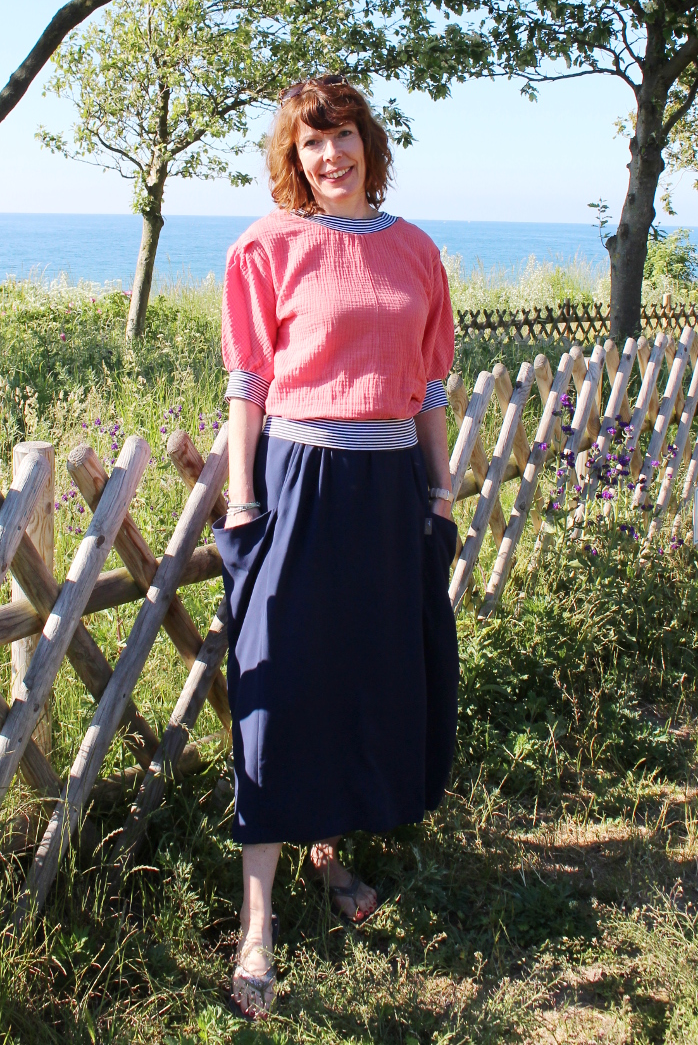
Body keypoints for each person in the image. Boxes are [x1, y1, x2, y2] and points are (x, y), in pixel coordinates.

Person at [213, 76, 460, 1020]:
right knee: (282, 690)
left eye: (343, 135)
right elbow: (248, 381)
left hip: (390, 490)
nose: (330, 156)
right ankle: (257, 925)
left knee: (363, 679)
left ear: (368, 143)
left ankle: (328, 856)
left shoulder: (416, 249)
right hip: (301, 483)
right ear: (294, 157)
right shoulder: (265, 247)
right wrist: (243, 497)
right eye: (311, 142)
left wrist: (439, 486)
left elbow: (429, 385)